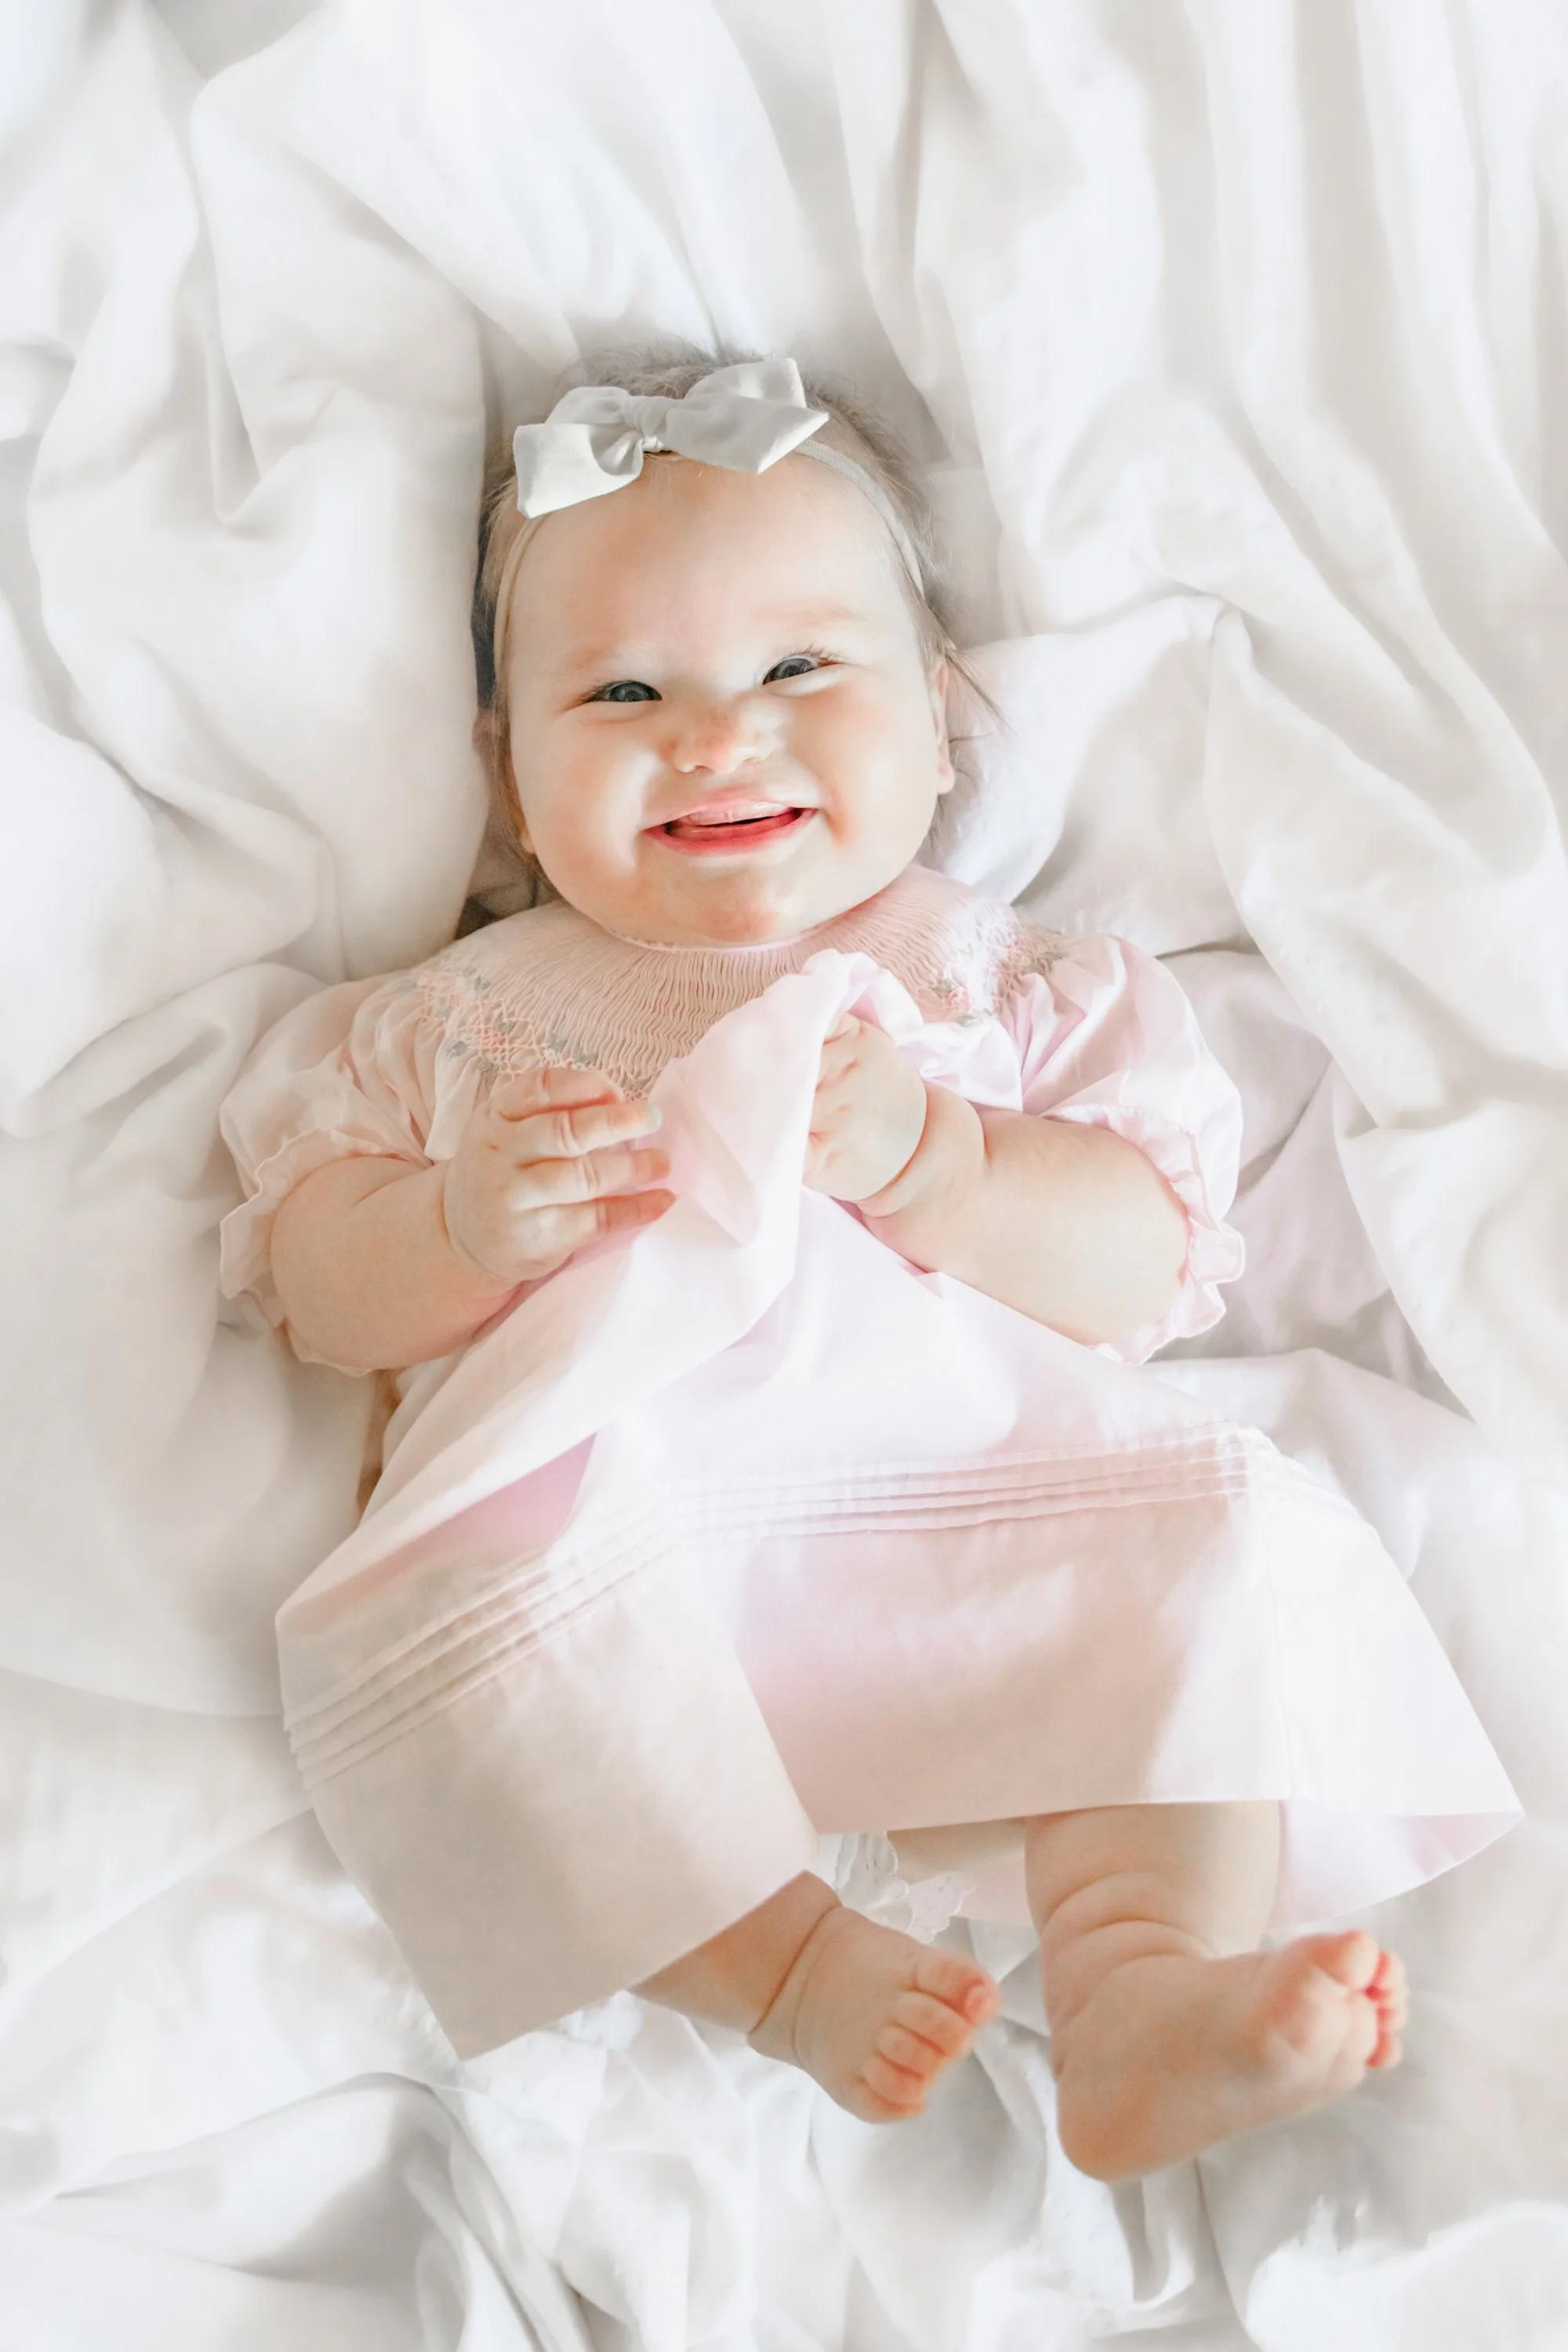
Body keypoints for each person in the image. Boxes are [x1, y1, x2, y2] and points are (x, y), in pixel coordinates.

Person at [219, 354, 1515, 2180]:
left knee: (1206, 1537)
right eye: (620, 692)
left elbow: (1144, 1255)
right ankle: (783, 1966)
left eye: (800, 671)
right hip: (617, 1519)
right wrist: (447, 1229)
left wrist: (946, 1163)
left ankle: (1137, 1984)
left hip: (965, 1488)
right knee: (470, 1650)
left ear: (942, 719)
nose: (714, 736)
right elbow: (306, 1278)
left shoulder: (997, 982)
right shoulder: (461, 1019)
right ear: (505, 779)